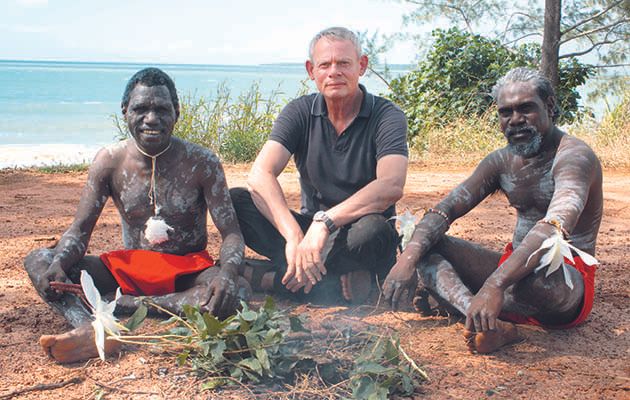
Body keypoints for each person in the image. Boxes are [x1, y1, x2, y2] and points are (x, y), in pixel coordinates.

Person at [24, 67, 250, 363]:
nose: (151, 119)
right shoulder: (109, 161)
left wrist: (229, 275)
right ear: (125, 111)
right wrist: (61, 262)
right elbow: (80, 231)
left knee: (237, 291)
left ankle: (120, 307)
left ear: (177, 112)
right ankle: (89, 329)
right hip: (129, 270)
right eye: (141, 109)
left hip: (186, 273)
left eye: (161, 109)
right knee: (39, 260)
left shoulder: (202, 162)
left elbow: (231, 233)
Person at [382, 67, 603, 354]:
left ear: (549, 106)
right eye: (505, 112)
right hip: (510, 274)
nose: (515, 121)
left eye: (526, 109)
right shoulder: (500, 161)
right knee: (418, 240)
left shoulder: (574, 157)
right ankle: (484, 321)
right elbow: (444, 210)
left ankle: (473, 302)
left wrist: (494, 285)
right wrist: (407, 260)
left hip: (561, 285)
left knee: (536, 279)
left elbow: (554, 227)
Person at [230, 27, 408, 304]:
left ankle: (272, 279)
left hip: (355, 235)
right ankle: (340, 279)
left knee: (374, 231)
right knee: (235, 202)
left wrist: (324, 223)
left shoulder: (387, 115)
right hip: (307, 237)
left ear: (361, 66)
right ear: (311, 71)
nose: (334, 72)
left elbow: (391, 185)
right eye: (325, 64)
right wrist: (293, 236)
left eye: (344, 63)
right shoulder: (299, 112)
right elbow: (260, 175)